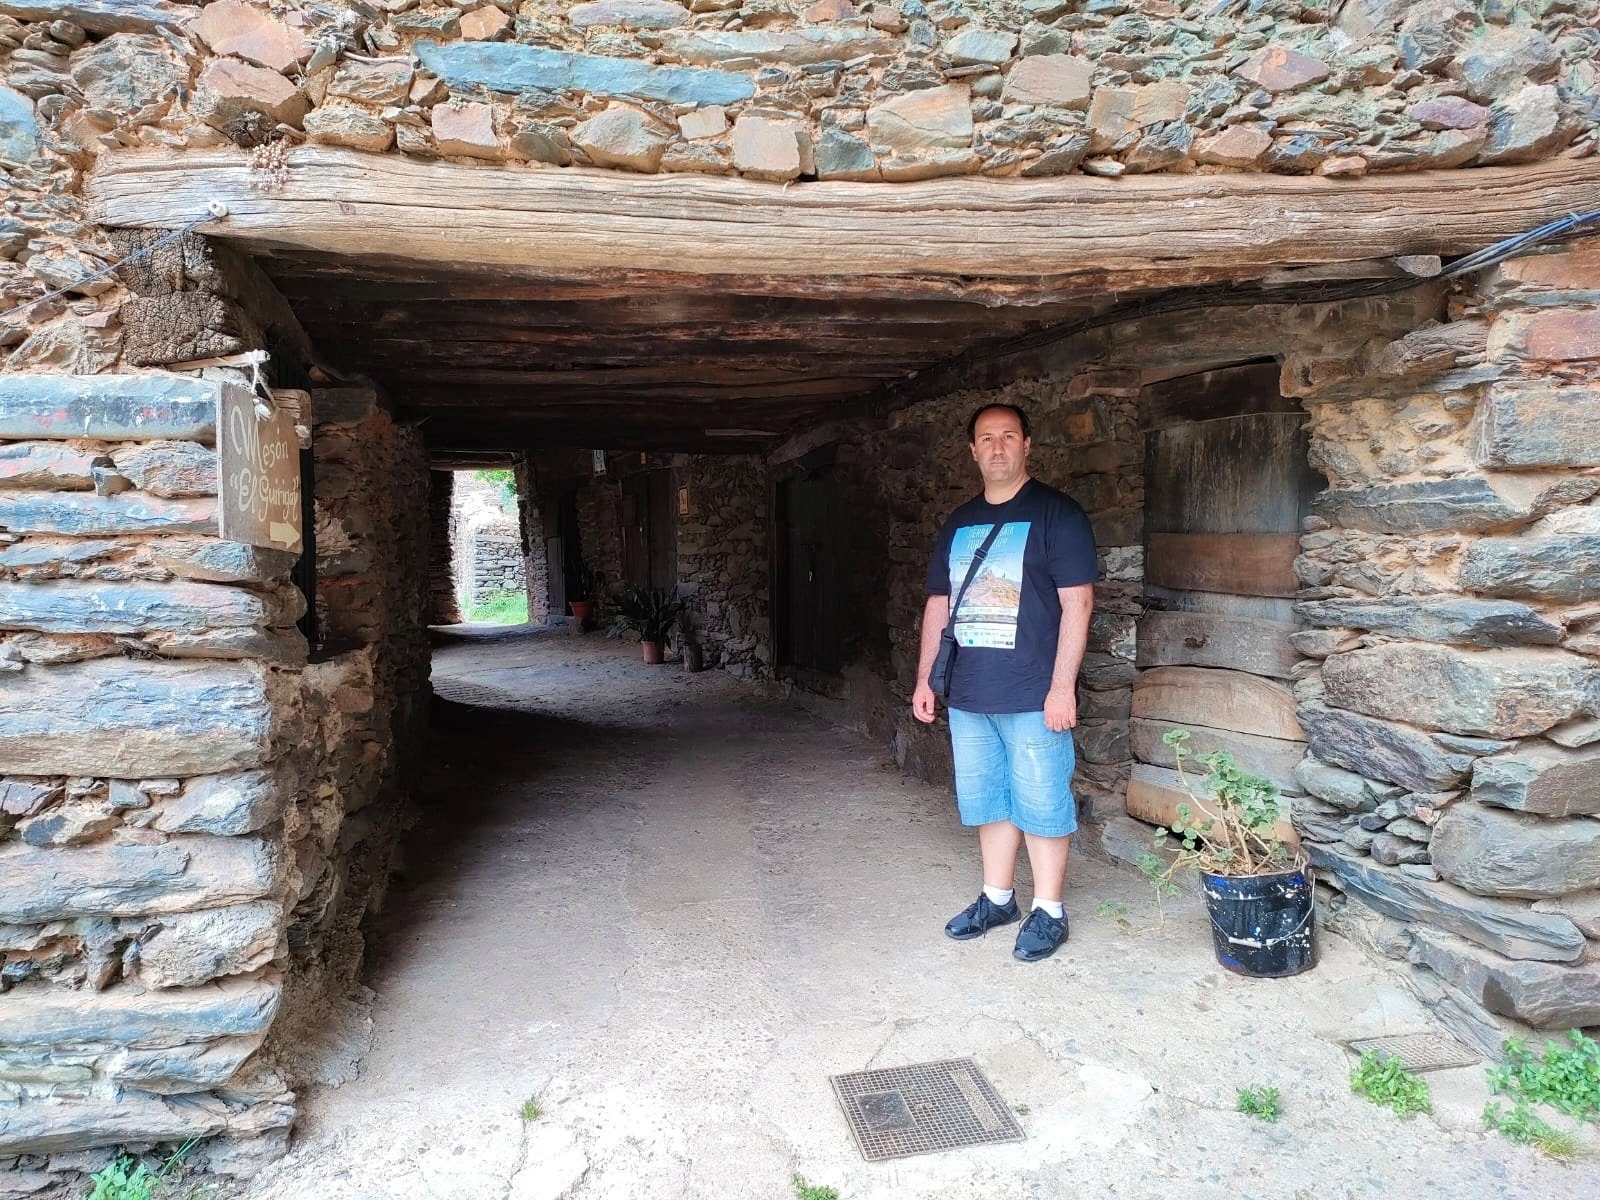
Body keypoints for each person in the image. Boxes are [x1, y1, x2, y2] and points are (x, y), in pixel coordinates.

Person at [912, 403, 1097, 962]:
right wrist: (925, 679)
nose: (997, 447)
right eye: (986, 438)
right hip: (970, 690)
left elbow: (1078, 603)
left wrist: (1062, 686)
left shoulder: (1056, 514)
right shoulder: (958, 521)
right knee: (988, 800)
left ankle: (1049, 910)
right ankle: (997, 898)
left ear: (1027, 445)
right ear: (972, 450)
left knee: (1041, 800)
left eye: (1008, 437)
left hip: (1033, 692)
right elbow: (938, 604)